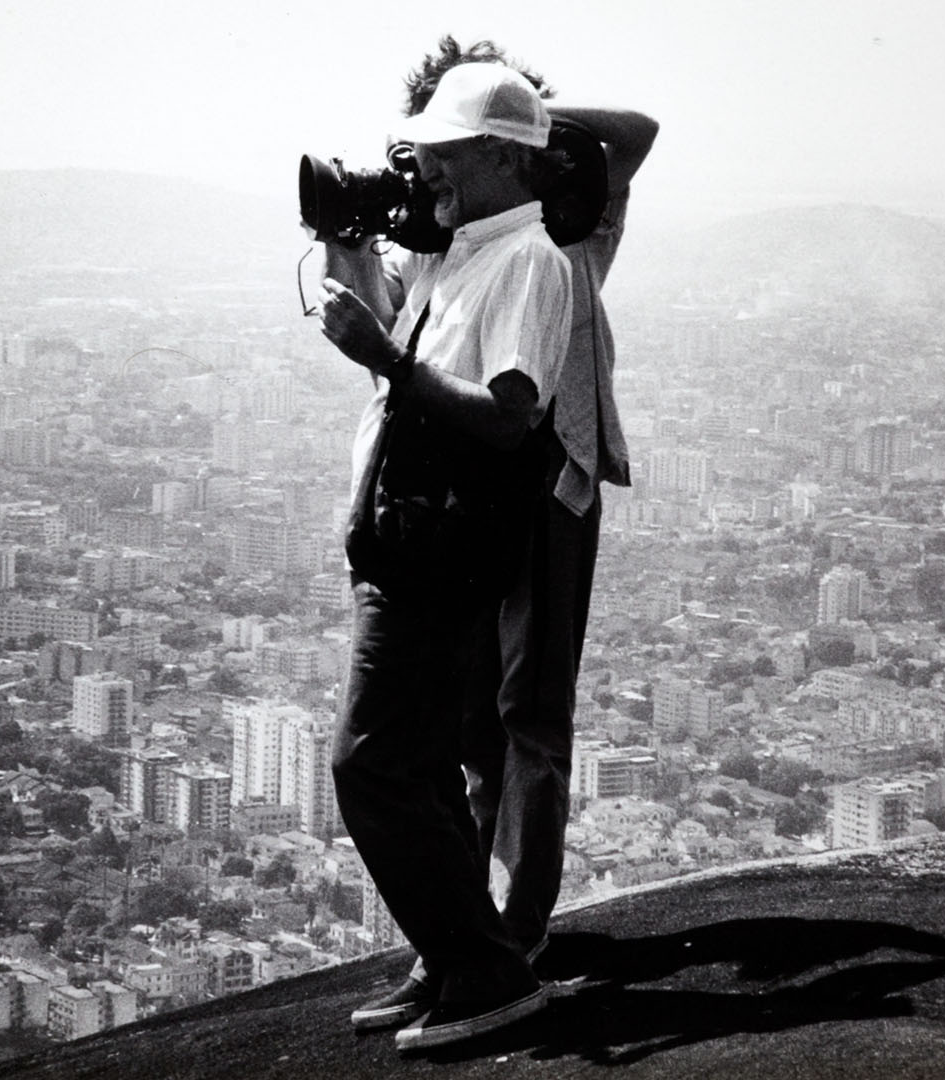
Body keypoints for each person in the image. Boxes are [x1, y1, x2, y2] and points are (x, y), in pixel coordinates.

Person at [317, 60, 575, 1052]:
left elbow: (510, 419)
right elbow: (395, 354)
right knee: (419, 770)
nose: (423, 169)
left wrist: (386, 361)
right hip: (401, 538)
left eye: (443, 153)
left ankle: (487, 973)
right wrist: (344, 244)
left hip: (441, 552)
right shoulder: (455, 257)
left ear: (501, 161)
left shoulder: (528, 265)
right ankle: (451, 957)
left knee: (368, 766)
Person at [406, 38, 659, 971]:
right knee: (473, 721)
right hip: (465, 493)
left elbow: (637, 133)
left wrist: (520, 127)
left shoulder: (569, 220)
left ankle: (521, 927)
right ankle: (476, 924)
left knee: (529, 711)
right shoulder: (448, 241)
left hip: (551, 479)